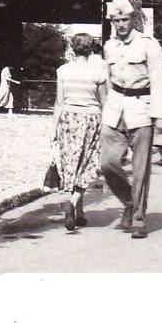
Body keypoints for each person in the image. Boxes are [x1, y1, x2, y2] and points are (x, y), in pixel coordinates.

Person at [99, 0, 162, 240]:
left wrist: (160, 117)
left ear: (133, 19)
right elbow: (107, 79)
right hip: (115, 107)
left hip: (141, 109)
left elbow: (160, 81)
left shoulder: (149, 44)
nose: (121, 24)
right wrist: (105, 105)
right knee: (108, 163)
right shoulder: (110, 46)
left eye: (125, 19)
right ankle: (128, 201)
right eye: (116, 20)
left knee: (140, 170)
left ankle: (139, 218)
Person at [51, 33, 108, 231]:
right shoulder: (99, 72)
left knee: (72, 164)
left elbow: (59, 102)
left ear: (72, 48)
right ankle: (73, 203)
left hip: (67, 118)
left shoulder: (63, 71)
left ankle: (80, 213)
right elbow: (104, 102)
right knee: (88, 163)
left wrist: (53, 129)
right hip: (91, 118)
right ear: (91, 48)